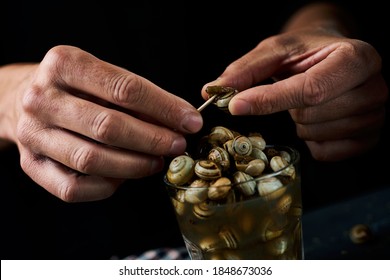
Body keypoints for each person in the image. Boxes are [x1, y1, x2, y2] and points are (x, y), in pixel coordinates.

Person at [1, 0, 388, 259]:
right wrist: (12, 96)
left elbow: (318, 4)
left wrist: (324, 31)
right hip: (77, 239)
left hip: (311, 205)